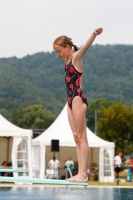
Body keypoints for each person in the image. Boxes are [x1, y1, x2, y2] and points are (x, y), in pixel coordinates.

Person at [53, 28, 103, 182]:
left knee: (82, 137)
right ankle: (79, 173)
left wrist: (94, 34)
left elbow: (84, 47)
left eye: (59, 51)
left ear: (67, 47)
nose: (58, 54)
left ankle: (83, 173)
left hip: (77, 98)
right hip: (69, 100)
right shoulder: (67, 62)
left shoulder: (75, 58)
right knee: (76, 137)